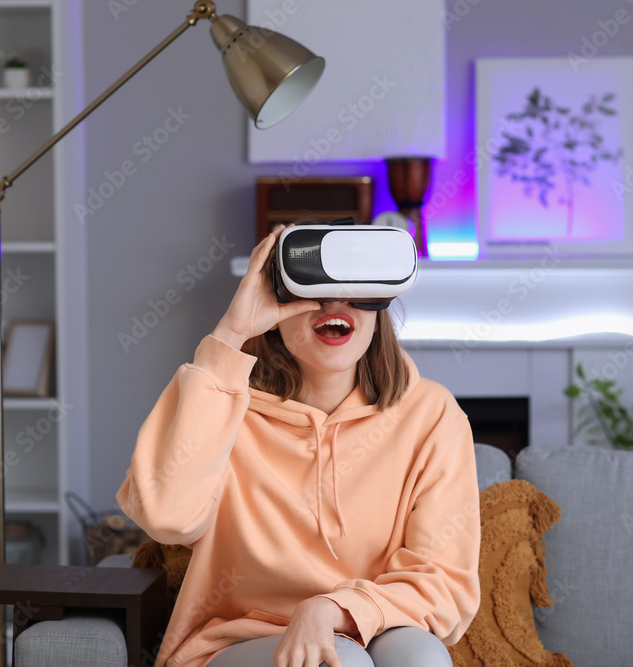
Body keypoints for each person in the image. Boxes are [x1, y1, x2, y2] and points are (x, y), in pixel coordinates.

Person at [117, 225, 480, 667]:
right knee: (339, 663)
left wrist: (331, 609)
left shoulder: (431, 414)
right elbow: (167, 518)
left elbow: (443, 582)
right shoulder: (226, 409)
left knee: (420, 657)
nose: (334, 304)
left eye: (356, 288)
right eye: (312, 288)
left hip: (371, 628)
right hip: (233, 643)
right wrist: (231, 335)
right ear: (276, 308)